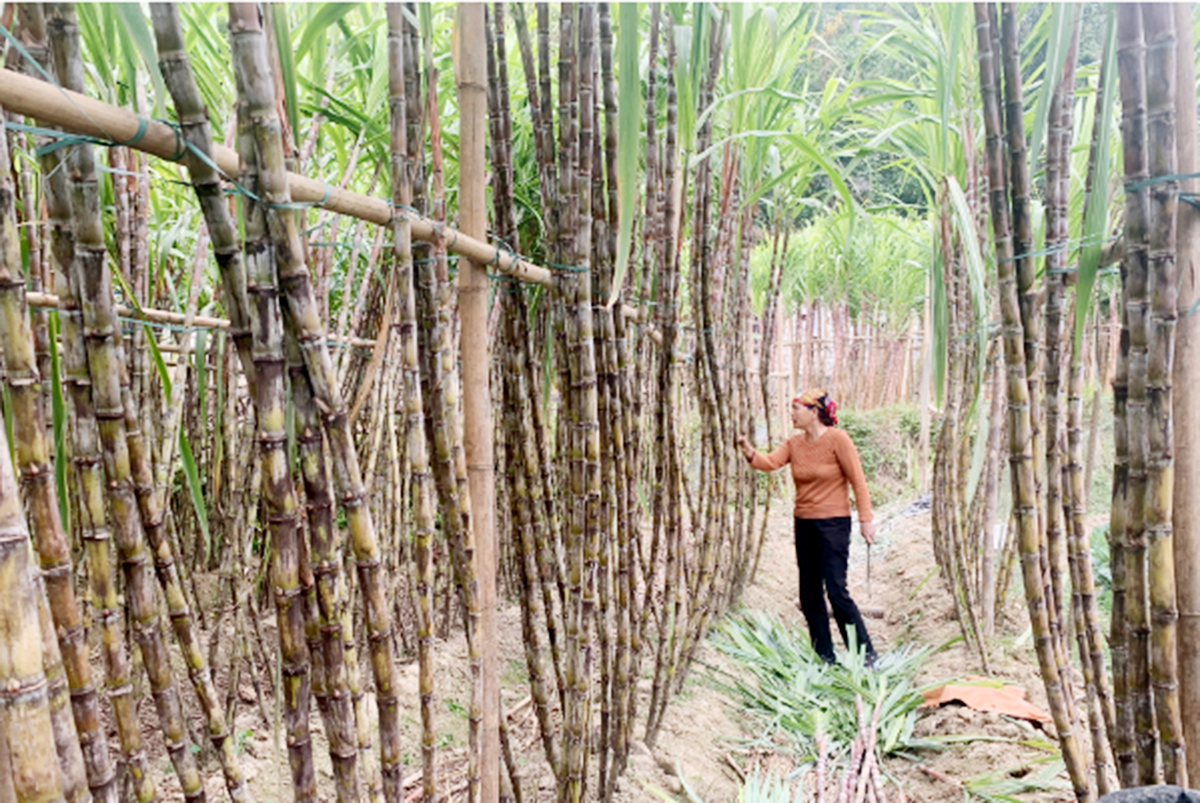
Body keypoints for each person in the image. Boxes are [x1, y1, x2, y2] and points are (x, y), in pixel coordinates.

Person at [738, 389, 877, 666]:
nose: (791, 414)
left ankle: (864, 654)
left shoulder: (839, 440)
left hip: (834, 524)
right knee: (809, 590)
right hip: (804, 522)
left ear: (814, 412)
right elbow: (770, 463)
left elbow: (858, 481)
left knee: (836, 590)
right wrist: (747, 450)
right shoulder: (794, 443)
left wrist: (866, 519)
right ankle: (824, 654)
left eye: (796, 409)